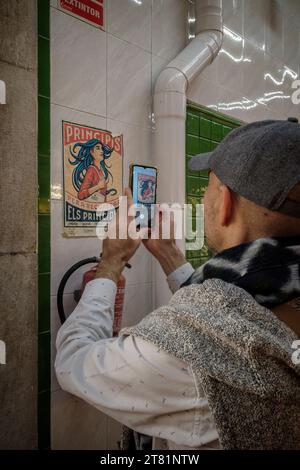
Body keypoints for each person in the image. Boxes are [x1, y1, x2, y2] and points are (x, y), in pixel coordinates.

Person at [55, 119, 300, 450]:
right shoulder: (269, 297)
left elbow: (73, 363)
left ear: (225, 203)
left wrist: (111, 263)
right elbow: (236, 312)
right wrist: (170, 256)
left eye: (208, 188)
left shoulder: (187, 353)